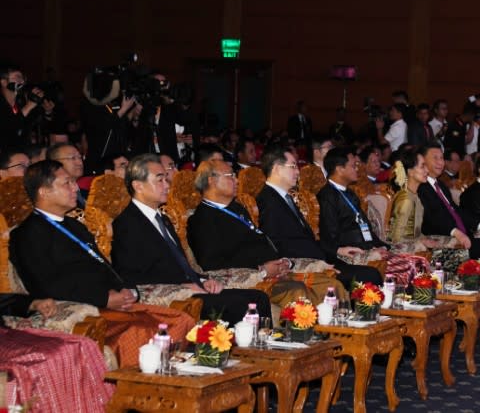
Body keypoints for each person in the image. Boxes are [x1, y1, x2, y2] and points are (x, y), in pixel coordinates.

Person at [9, 160, 194, 366]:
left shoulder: (74, 226)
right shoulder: (27, 234)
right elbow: (44, 284)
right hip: (87, 306)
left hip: (112, 302)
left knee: (180, 320)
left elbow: (102, 265)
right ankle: (138, 391)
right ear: (44, 192)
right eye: (67, 183)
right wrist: (103, 298)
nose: (75, 188)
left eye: (73, 182)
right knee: (143, 332)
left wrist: (122, 289)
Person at [111, 154, 270, 324]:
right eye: (159, 180)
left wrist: (203, 280)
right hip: (173, 296)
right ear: (138, 186)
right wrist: (183, 287)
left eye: (166, 179)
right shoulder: (126, 224)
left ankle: (266, 348)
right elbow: (130, 276)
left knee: (258, 298)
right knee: (240, 304)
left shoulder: (163, 219)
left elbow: (180, 264)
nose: (167, 185)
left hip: (191, 287)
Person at [187, 159, 343, 304]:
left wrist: (282, 262)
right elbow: (212, 263)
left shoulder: (238, 208)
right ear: (211, 181)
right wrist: (261, 269)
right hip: (253, 278)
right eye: (230, 176)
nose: (237, 180)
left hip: (276, 272)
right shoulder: (201, 220)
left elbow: (261, 242)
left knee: (332, 285)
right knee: (296, 291)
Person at [256, 146, 382, 286]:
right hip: (306, 264)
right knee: (369, 276)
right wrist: (315, 264)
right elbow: (276, 244)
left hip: (321, 257)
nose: (298, 171)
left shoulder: (286, 197)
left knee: (371, 273)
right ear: (277, 169)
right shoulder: (267, 201)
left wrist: (337, 250)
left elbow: (308, 238)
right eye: (293, 166)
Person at [416, 143, 480, 260]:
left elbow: (455, 210)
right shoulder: (421, 187)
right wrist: (455, 232)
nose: (440, 162)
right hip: (444, 241)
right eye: (435, 158)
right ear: (423, 161)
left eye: (441, 158)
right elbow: (432, 217)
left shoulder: (440, 185)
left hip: (461, 236)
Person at [317, 147, 389, 261]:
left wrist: (381, 246)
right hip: (350, 253)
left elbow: (364, 225)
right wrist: (367, 250)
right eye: (353, 165)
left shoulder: (350, 193)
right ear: (340, 169)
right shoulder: (327, 196)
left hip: (366, 247)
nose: (358, 169)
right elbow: (332, 237)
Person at [46, 143, 87, 208]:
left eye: (80, 157)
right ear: (55, 162)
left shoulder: (90, 194)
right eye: (73, 158)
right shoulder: (53, 197)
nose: (80, 162)